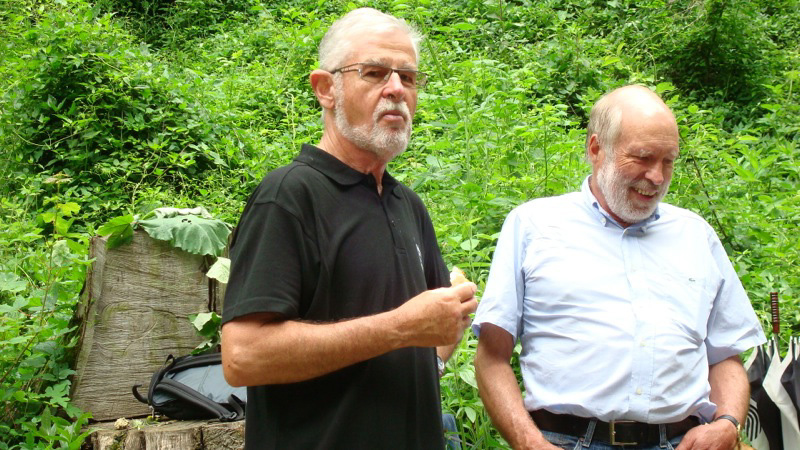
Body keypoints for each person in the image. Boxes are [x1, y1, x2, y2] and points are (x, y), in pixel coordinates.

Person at [220, 8, 478, 450]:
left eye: (408, 77)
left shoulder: (407, 205)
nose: (396, 89)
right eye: (374, 73)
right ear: (326, 89)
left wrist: (444, 324)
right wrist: (400, 328)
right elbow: (244, 356)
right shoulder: (288, 196)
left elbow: (432, 332)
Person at [473, 85, 767, 450]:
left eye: (668, 161)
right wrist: (530, 444)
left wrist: (727, 423)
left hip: (681, 442)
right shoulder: (533, 226)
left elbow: (725, 356)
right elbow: (491, 357)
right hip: (566, 441)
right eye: (643, 157)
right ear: (596, 149)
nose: (657, 176)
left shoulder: (695, 235)